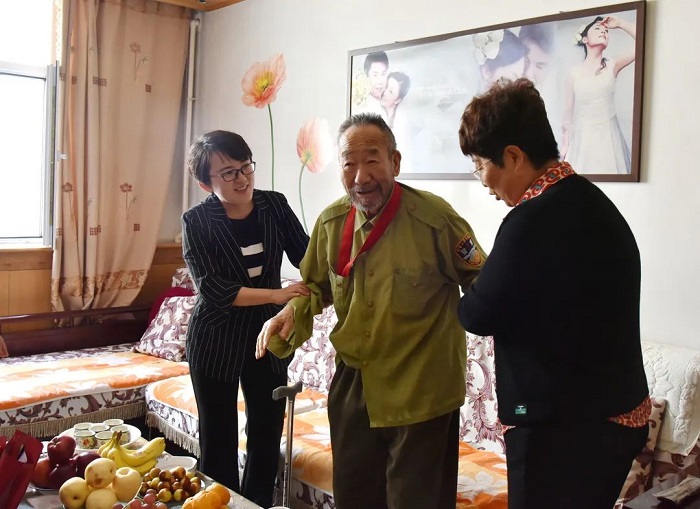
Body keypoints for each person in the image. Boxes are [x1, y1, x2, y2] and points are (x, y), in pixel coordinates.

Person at [256, 113, 486, 509]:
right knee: (356, 499)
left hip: (421, 388)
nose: (360, 176)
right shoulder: (331, 223)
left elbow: (481, 281)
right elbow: (314, 287)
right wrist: (291, 311)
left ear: (394, 162)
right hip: (354, 387)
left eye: (372, 160)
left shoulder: (435, 220)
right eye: (349, 164)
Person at [457, 78, 649, 509]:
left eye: (480, 165)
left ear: (513, 156)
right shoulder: (593, 201)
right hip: (618, 414)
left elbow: (477, 314)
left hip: (566, 429)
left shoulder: (530, 221)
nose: (482, 181)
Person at [181, 130, 310, 507]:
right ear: (206, 183)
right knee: (218, 436)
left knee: (266, 434)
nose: (241, 179)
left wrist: (321, 281)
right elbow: (212, 288)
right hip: (214, 338)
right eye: (228, 173)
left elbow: (306, 255)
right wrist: (276, 294)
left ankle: (256, 504)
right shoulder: (196, 221)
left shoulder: (274, 205)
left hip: (268, 336)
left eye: (245, 167)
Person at [562, 15, 637, 174]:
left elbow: (643, 42)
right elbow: (568, 112)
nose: (603, 32)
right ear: (585, 40)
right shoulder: (574, 73)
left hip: (609, 137)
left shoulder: (613, 65)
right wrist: (565, 143)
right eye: (597, 29)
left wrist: (620, 23)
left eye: (606, 31)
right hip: (583, 139)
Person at [354, 51, 389, 118]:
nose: (380, 81)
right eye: (375, 75)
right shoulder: (360, 109)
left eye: (383, 74)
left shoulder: (384, 108)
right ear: (367, 76)